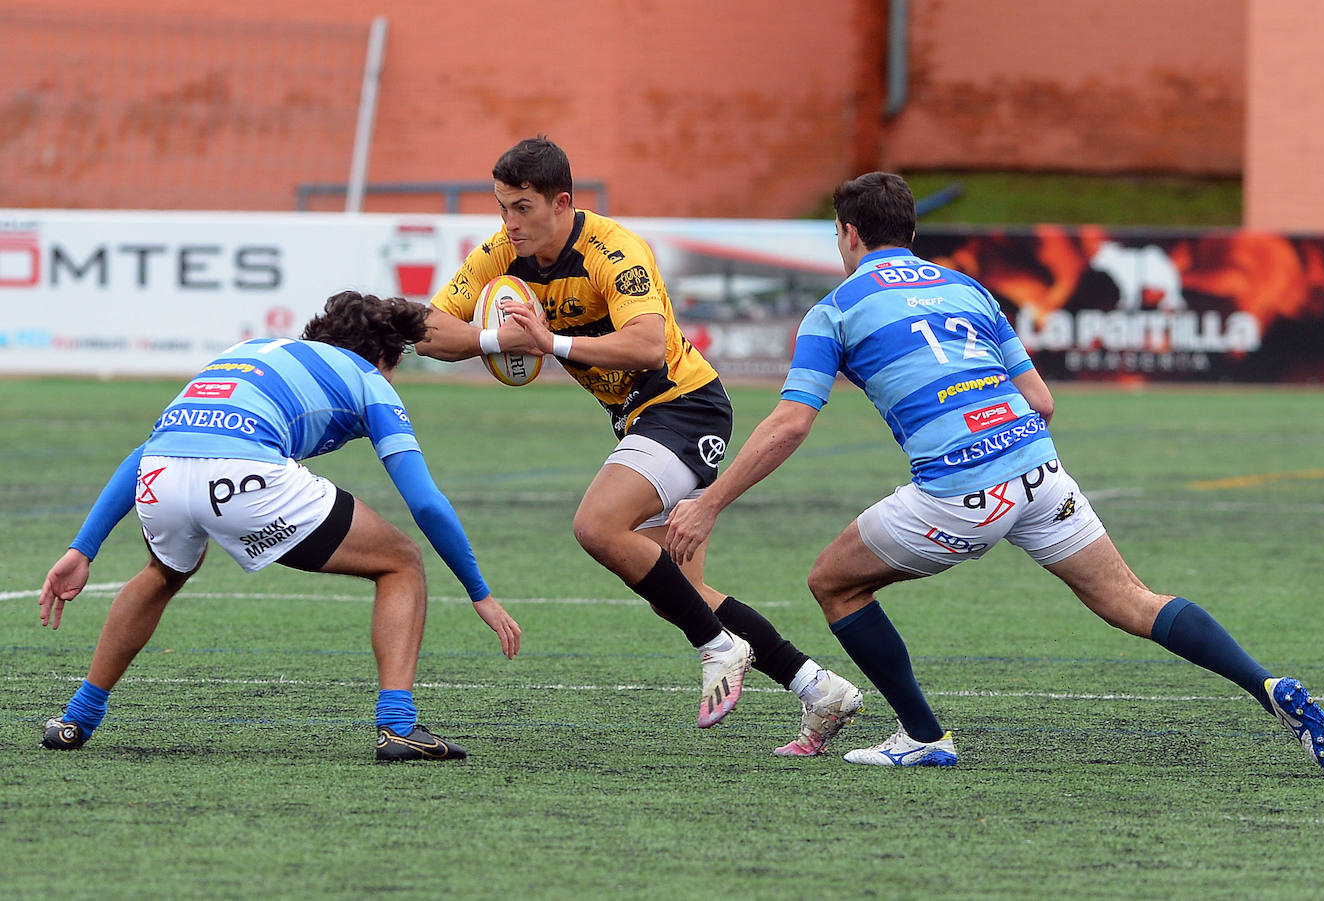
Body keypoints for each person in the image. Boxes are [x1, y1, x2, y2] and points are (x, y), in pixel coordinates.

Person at [665, 172, 1324, 774]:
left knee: (833, 582)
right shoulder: (969, 289)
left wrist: (710, 502)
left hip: (961, 492)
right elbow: (1042, 402)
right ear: (911, 230)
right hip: (1040, 472)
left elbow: (790, 421)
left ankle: (924, 736)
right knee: (1133, 601)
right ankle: (1269, 686)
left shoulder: (836, 309)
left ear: (847, 235)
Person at [417, 135, 863, 754]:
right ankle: (820, 689)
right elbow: (431, 334)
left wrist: (552, 345)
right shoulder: (500, 254)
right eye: (501, 207)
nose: (508, 224)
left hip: (687, 406)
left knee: (597, 524)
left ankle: (719, 647)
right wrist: (498, 339)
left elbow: (648, 345)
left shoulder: (615, 250)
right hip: (637, 421)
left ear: (562, 203)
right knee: (681, 596)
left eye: (521, 208)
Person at [39, 291, 521, 762]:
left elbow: (148, 448)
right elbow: (426, 503)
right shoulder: (369, 379)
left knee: (163, 573)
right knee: (401, 562)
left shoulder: (246, 350)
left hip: (161, 474)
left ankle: (77, 717)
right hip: (243, 477)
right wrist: (479, 592)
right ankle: (397, 726)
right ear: (383, 356)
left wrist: (83, 548)